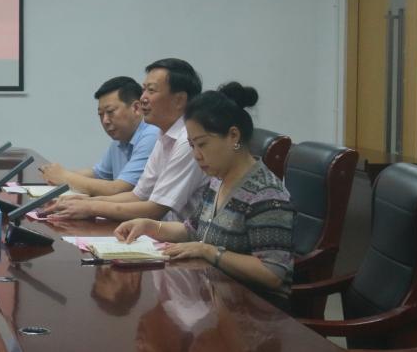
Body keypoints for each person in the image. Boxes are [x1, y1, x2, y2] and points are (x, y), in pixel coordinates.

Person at [116, 82, 294, 300]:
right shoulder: (218, 180)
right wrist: (150, 226)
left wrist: (208, 251)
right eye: (192, 146)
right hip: (217, 296)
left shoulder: (266, 193)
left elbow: (272, 273)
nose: (196, 155)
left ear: (233, 136)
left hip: (257, 308)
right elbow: (193, 230)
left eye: (202, 144)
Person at [47, 58, 208, 224]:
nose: (143, 98)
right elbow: (137, 196)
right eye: (144, 90)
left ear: (179, 100)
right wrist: (85, 202)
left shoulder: (186, 141)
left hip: (179, 236)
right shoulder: (164, 136)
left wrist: (91, 207)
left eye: (151, 90)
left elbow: (155, 209)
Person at [39, 76, 159, 196]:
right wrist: (55, 174)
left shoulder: (152, 135)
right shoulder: (120, 139)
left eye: (110, 111)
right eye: (100, 114)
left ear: (136, 108)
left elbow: (119, 189)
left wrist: (65, 177)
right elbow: (97, 174)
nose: (105, 120)